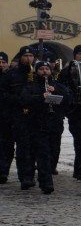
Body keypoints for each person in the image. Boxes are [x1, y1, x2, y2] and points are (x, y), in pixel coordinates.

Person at [19, 60, 71, 195]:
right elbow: (24, 100)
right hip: (38, 125)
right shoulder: (31, 86)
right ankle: (45, 182)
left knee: (53, 153)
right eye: (41, 69)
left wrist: (57, 91)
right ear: (37, 71)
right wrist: (41, 97)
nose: (45, 72)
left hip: (55, 125)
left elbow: (68, 99)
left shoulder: (57, 85)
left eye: (47, 69)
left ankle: (42, 175)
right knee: (43, 154)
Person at [57, 44, 81, 182]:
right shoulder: (66, 72)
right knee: (80, 141)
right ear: (75, 56)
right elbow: (60, 88)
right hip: (75, 111)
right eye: (79, 54)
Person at [1, 46, 37, 188]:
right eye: (25, 56)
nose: (28, 58)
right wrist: (18, 99)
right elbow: (3, 94)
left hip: (31, 116)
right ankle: (3, 172)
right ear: (20, 57)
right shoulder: (10, 75)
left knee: (27, 148)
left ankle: (26, 176)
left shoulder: (36, 73)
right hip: (13, 115)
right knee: (7, 146)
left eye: (30, 56)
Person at [0, 51, 12, 184]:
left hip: (8, 116)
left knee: (7, 145)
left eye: (4, 63)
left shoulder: (10, 77)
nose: (1, 65)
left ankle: (4, 171)